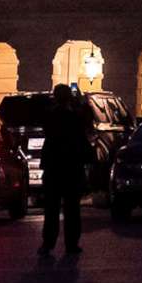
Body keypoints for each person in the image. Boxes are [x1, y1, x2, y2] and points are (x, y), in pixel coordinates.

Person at [36, 84, 90, 258]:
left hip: (53, 167)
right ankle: (71, 244)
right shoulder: (75, 117)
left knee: (51, 209)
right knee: (72, 209)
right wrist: (80, 104)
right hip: (71, 167)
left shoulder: (50, 116)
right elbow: (85, 130)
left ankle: (48, 242)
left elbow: (44, 122)